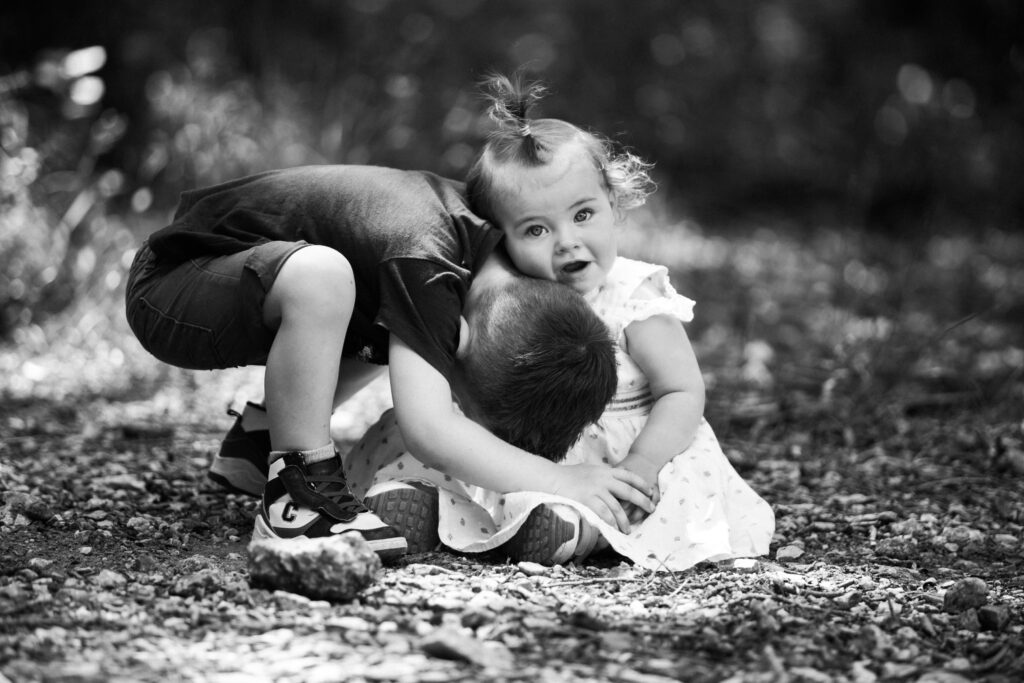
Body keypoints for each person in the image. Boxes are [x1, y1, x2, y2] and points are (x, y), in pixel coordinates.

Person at [346, 75, 774, 570]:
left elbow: (682, 390)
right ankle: (426, 501)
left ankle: (573, 528)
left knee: (616, 500)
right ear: (498, 236)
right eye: (536, 229)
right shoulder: (503, 298)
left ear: (613, 203)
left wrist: (643, 462)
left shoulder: (632, 295)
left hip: (621, 455)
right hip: (515, 451)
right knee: (462, 457)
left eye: (583, 215)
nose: (567, 241)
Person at [124, 164, 654, 561]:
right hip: (173, 283)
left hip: (232, 272)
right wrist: (558, 480)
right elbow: (429, 430)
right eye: (467, 405)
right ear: (459, 340)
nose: (457, 406)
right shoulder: (427, 261)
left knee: (388, 319)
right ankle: (299, 492)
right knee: (325, 279)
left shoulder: (492, 254)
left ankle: (260, 440)